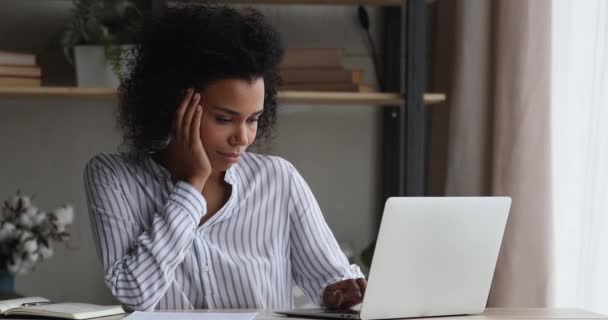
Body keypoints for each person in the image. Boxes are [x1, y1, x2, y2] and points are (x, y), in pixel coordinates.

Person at [83, 3, 366, 312]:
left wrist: (341, 294)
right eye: (224, 119)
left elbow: (331, 281)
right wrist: (191, 185)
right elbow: (135, 294)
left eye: (252, 119)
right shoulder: (113, 177)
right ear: (175, 105)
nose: (242, 138)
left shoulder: (278, 180)